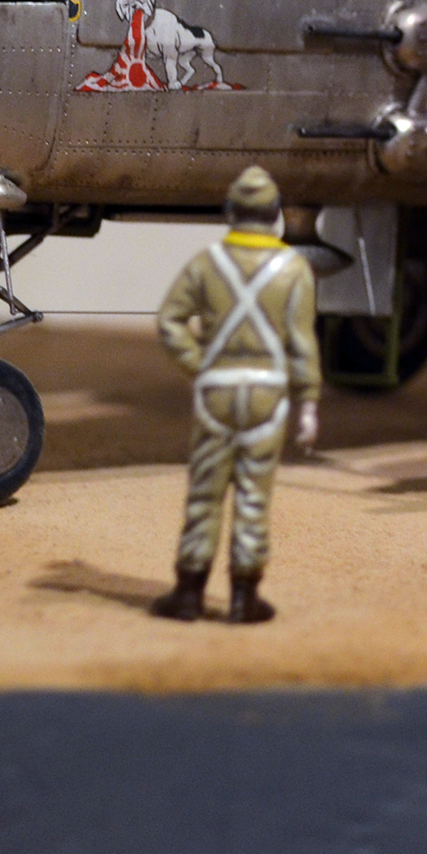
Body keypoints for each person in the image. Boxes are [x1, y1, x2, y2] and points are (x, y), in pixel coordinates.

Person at [149, 165, 320, 624]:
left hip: (217, 392)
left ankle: (188, 594)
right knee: (253, 497)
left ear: (230, 212)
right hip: (267, 395)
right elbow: (303, 344)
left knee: (204, 494)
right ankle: (244, 598)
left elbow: (170, 321)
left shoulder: (207, 264)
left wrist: (200, 366)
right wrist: (308, 405)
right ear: (275, 213)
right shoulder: (294, 269)